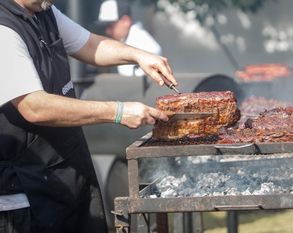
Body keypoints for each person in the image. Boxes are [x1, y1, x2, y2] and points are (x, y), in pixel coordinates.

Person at [0, 0, 177, 233]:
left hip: (67, 170)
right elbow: (33, 106)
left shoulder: (44, 10)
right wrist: (118, 112)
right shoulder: (4, 28)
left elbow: (90, 44)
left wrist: (139, 55)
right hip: (27, 194)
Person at [97, 0, 162, 76]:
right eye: (105, 27)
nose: (108, 31)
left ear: (125, 21)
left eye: (110, 25)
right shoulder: (124, 39)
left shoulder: (146, 46)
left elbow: (137, 84)